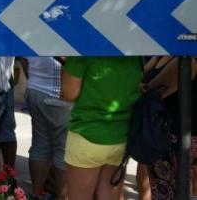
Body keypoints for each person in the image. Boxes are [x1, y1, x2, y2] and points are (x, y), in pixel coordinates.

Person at [61, 57, 143, 200]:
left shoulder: (82, 50)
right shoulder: (135, 53)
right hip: (120, 136)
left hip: (86, 134)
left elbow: (69, 93)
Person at [142, 56, 197, 199]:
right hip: (165, 138)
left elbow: (152, 92)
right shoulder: (161, 56)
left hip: (178, 141)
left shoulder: (186, 60)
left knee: (174, 192)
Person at [22, 55, 72, 199]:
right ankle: (62, 197)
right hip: (59, 95)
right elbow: (71, 63)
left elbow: (24, 60)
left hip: (34, 90)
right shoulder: (66, 33)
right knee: (63, 150)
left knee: (40, 145)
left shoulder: (36, 32)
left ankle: (37, 193)